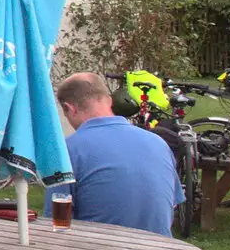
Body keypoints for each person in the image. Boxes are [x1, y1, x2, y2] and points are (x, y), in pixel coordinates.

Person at [46, 72, 183, 236]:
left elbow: (58, 224)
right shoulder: (159, 144)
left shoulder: (67, 152)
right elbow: (170, 206)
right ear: (109, 101)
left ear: (69, 108)